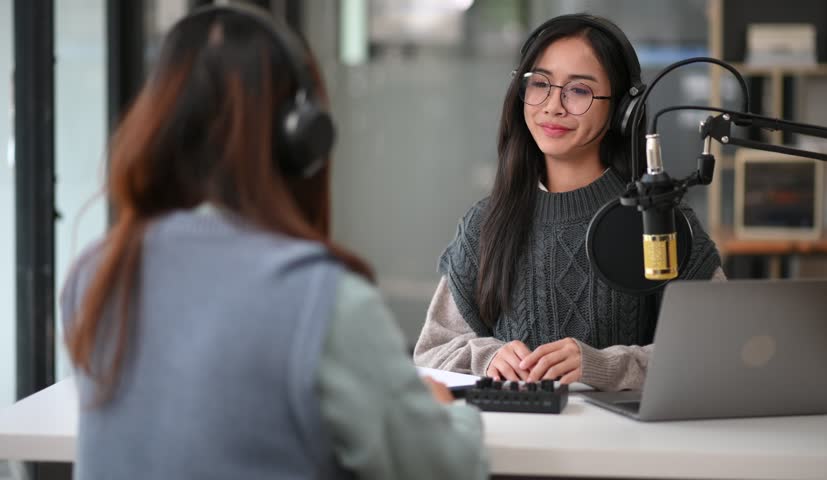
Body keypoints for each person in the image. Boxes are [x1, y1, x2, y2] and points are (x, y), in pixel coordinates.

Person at [60, 5, 487, 480]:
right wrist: (450, 412)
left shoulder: (97, 272)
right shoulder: (322, 301)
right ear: (301, 142)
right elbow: (445, 469)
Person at [414, 14, 725, 391]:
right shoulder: (485, 223)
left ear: (623, 111)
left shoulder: (659, 219)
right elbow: (433, 351)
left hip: (631, 446)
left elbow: (714, 352)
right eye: (540, 84)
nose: (553, 106)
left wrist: (607, 365)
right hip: (517, 443)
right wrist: (489, 356)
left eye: (579, 90)